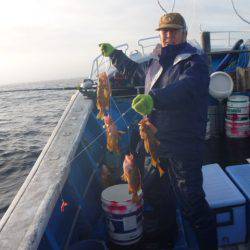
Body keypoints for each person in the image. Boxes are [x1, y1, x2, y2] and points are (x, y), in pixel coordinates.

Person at [99, 13, 218, 250]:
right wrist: (115, 56)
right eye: (164, 31)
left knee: (191, 202)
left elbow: (185, 88)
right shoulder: (155, 62)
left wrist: (153, 99)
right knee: (155, 191)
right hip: (156, 139)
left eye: (173, 30)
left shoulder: (195, 64)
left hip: (183, 145)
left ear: (184, 33)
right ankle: (167, 233)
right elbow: (136, 72)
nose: (168, 35)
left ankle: (208, 244)